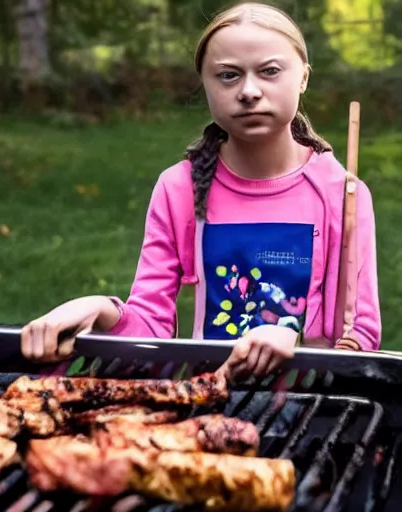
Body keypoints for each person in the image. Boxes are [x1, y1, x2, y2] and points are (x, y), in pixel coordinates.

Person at [20, 1, 381, 381]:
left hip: (314, 405)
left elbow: (359, 336)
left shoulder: (341, 193)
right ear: (205, 83)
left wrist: (295, 342)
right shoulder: (179, 188)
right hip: (207, 401)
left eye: (270, 71)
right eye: (228, 76)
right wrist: (99, 309)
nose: (249, 91)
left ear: (303, 78)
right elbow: (151, 334)